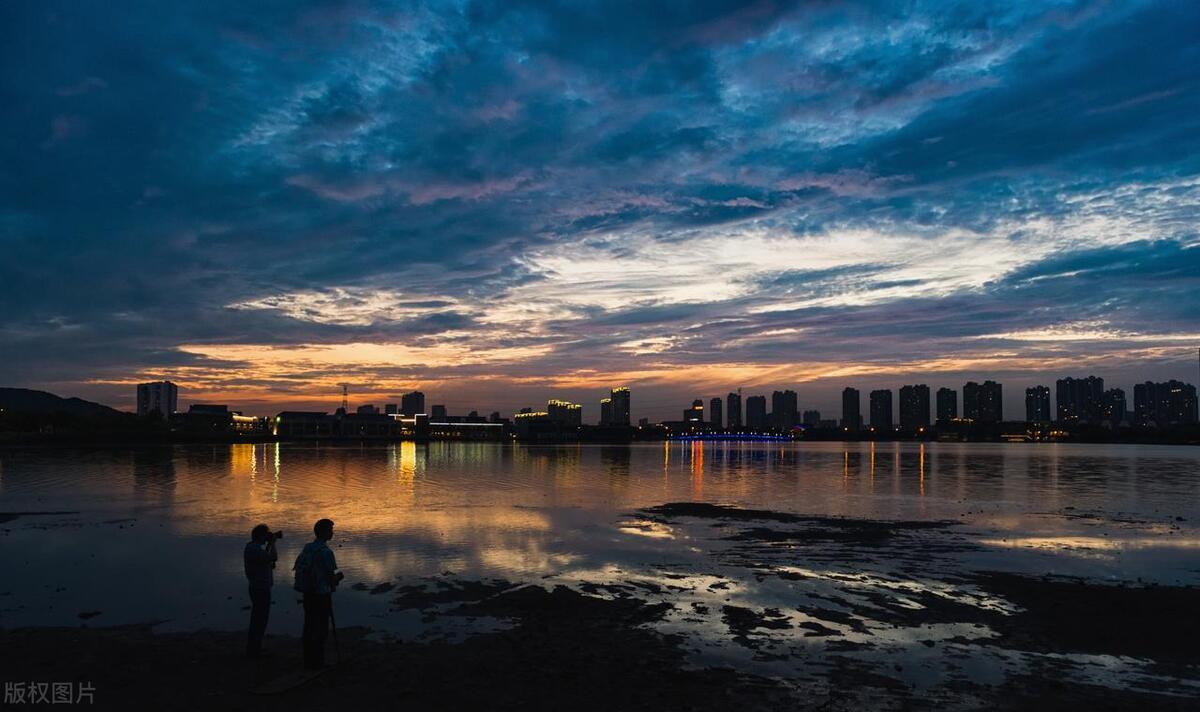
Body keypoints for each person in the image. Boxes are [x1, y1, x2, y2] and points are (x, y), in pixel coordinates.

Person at [294, 518, 344, 669]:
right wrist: (338, 578)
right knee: (321, 628)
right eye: (330, 530)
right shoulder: (326, 552)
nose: (332, 533)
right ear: (323, 532)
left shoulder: (307, 547)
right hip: (321, 594)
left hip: (308, 592)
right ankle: (318, 662)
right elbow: (330, 578)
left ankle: (308, 660)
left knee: (309, 625)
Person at [243, 523, 279, 659]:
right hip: (260, 589)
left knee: (259, 619)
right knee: (259, 620)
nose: (268, 537)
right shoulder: (254, 549)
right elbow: (273, 557)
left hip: (258, 587)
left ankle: (255, 648)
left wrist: (269, 546)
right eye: (266, 534)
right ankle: (253, 651)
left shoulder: (254, 548)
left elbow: (268, 560)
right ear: (260, 535)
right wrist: (273, 543)